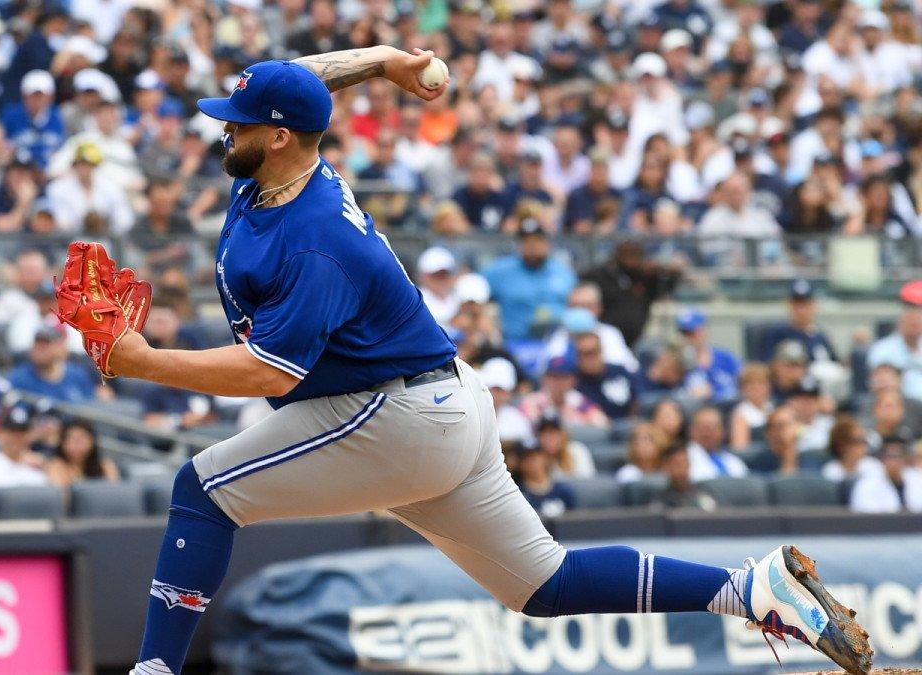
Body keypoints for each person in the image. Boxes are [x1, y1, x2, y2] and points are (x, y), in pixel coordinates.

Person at [51, 53, 868, 675]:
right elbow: (302, 78)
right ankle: (748, 589)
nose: (223, 128)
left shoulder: (316, 239)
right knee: (544, 584)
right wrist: (383, 62)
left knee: (204, 489)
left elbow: (272, 375)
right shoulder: (278, 167)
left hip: (392, 414)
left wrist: (143, 359)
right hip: (441, 404)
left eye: (238, 121)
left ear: (279, 135)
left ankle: (154, 670)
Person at [481, 219, 576, 342]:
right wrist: (484, 320)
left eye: (537, 240)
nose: (532, 245)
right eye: (526, 241)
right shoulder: (499, 271)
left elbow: (577, 305)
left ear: (547, 243)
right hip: (515, 343)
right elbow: (473, 290)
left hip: (558, 343)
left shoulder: (563, 272)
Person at [580, 239, 683, 346]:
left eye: (635, 255)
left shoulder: (646, 277)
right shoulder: (602, 276)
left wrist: (666, 270)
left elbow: (668, 284)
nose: (631, 260)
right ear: (617, 256)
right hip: (608, 337)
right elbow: (584, 281)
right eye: (627, 255)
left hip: (639, 338)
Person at [541, 283, 638, 372]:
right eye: (575, 306)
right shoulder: (557, 334)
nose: (580, 311)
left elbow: (630, 368)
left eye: (586, 306)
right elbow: (545, 368)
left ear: (599, 308)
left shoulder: (610, 333)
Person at [6, 326, 98, 403]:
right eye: (37, 344)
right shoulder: (19, 378)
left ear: (58, 347)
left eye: (45, 345)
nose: (40, 350)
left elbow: (90, 406)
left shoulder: (77, 375)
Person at [757, 280, 838, 363]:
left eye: (806, 304)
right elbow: (762, 365)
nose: (801, 310)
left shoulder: (820, 337)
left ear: (814, 305)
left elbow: (835, 364)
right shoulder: (776, 335)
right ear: (789, 304)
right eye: (797, 304)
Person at [867, 281, 922, 401]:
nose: (915, 321)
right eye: (910, 317)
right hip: (901, 407)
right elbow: (882, 389)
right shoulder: (882, 350)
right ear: (900, 321)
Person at [518, 356, 609, 429]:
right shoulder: (532, 401)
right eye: (553, 377)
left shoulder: (579, 401)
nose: (558, 382)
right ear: (544, 379)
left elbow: (602, 423)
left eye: (563, 377)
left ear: (573, 380)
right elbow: (528, 426)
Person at [677, 309, 742, 403]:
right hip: (694, 409)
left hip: (728, 406)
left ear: (704, 330)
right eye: (685, 334)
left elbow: (744, 381)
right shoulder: (677, 362)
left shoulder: (725, 357)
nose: (689, 338)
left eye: (693, 332)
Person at [573, 331, 638, 421]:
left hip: (629, 423)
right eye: (585, 354)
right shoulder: (574, 382)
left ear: (601, 350)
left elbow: (636, 399)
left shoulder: (619, 371)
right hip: (596, 427)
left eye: (594, 351)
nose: (590, 358)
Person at [849, 437, 922, 513]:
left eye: (897, 456)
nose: (893, 461)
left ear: (905, 458)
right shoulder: (867, 484)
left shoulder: (917, 479)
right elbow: (864, 514)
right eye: (889, 456)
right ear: (882, 459)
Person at [45, 420, 121, 490]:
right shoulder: (55, 465)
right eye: (71, 439)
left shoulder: (105, 465)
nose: (75, 445)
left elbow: (114, 493)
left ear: (92, 441)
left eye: (80, 439)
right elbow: (61, 494)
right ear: (62, 443)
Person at [510, 437, 577, 518]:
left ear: (544, 457)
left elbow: (575, 521)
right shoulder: (516, 494)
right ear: (519, 463)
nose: (531, 462)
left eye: (535, 456)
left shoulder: (564, 491)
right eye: (526, 458)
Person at [686, 405, 749, 481]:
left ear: (723, 431)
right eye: (701, 428)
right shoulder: (683, 459)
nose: (706, 433)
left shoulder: (734, 461)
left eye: (712, 428)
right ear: (691, 430)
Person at [534, 408, 595, 479]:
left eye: (553, 432)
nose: (548, 438)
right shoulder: (534, 458)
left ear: (563, 434)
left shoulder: (576, 450)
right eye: (544, 433)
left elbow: (587, 483)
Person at [658, 441, 719, 511]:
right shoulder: (661, 499)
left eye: (685, 463)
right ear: (666, 467)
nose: (683, 468)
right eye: (678, 464)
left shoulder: (704, 491)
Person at [823, 417, 882, 483]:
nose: (863, 445)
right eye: (857, 441)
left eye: (864, 440)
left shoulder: (873, 465)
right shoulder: (831, 471)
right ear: (842, 445)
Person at [730, 363, 774, 453]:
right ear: (742, 389)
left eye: (761, 383)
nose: (757, 388)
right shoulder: (741, 413)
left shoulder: (773, 407)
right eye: (751, 384)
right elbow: (740, 447)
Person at [746, 406, 803, 475]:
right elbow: (787, 480)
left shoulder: (809, 456)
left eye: (789, 424)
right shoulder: (758, 462)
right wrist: (788, 450)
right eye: (780, 426)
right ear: (768, 432)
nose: (786, 431)